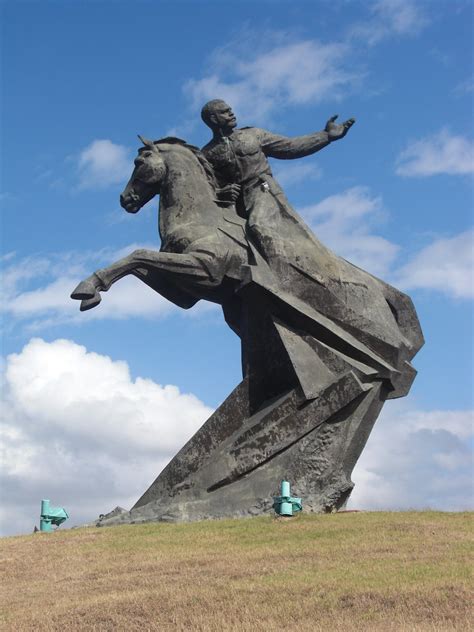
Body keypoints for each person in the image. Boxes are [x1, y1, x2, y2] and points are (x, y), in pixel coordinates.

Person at [200, 99, 355, 281]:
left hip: (263, 190)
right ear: (214, 118)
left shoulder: (253, 135)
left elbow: (290, 147)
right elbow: (208, 189)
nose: (231, 113)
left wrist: (326, 136)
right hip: (236, 206)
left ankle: (282, 279)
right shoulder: (207, 153)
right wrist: (222, 192)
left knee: (259, 225)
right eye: (225, 112)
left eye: (230, 110)